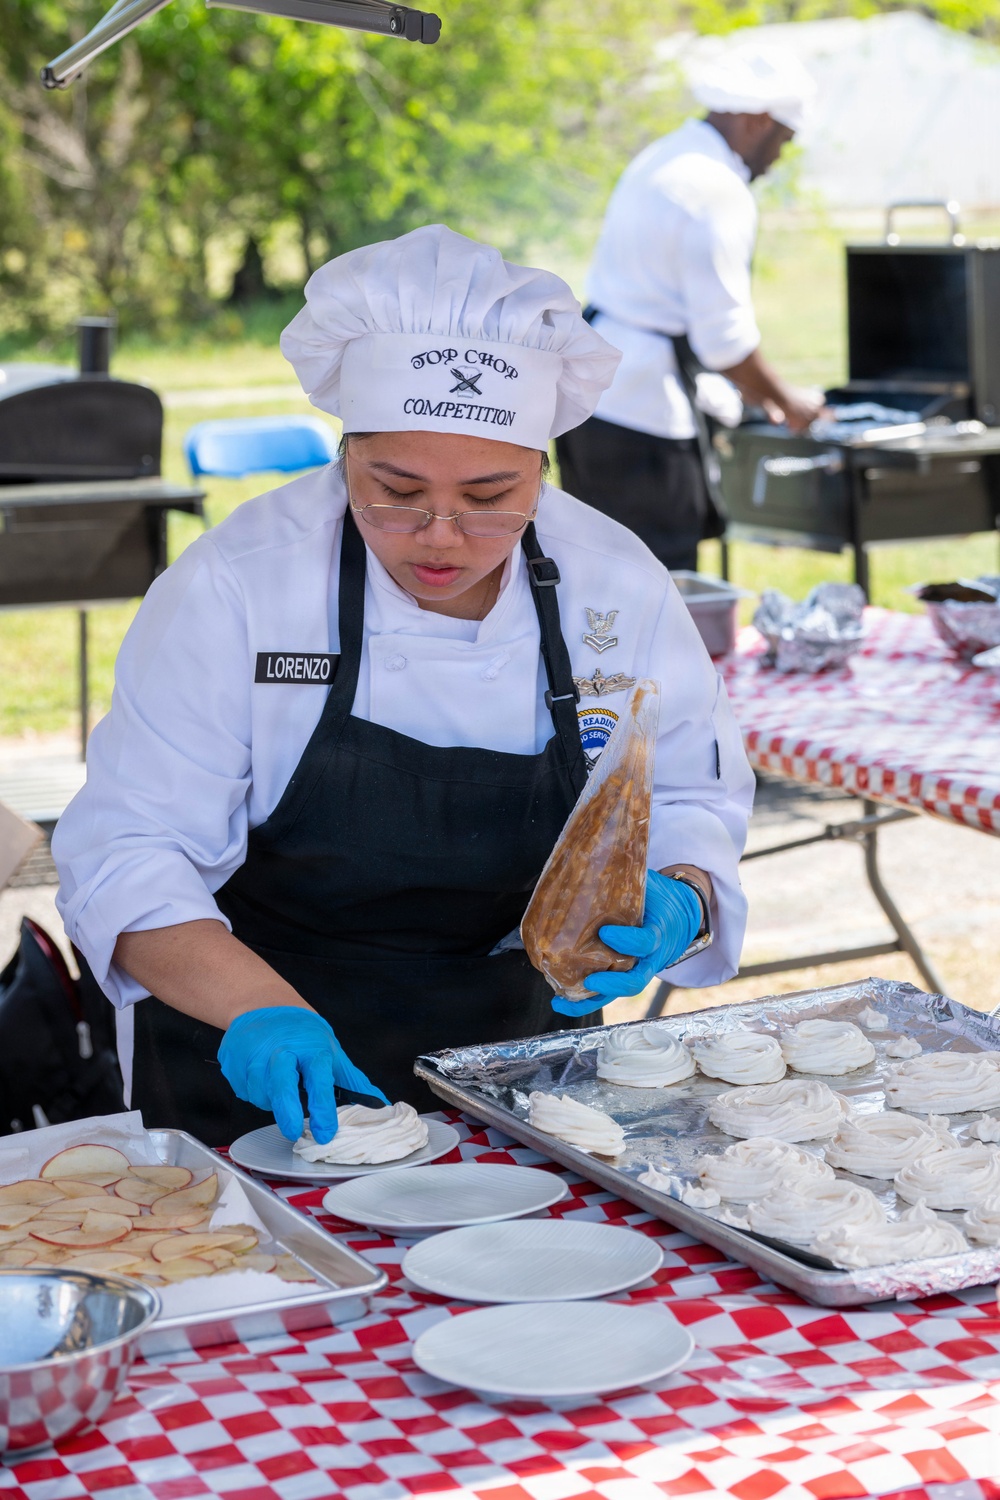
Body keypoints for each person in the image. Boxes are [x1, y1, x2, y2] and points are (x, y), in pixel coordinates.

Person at [53, 225, 754, 1149]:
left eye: (491, 496)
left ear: (542, 471)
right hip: (254, 1060)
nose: (439, 535)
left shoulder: (613, 582)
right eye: (394, 487)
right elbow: (125, 854)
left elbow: (690, 795)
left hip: (522, 1067)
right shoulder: (239, 585)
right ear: (345, 451)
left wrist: (681, 892)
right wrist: (260, 1010)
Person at [556, 44, 825, 572]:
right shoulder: (716, 188)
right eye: (783, 141)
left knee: (593, 576)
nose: (778, 159)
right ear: (756, 120)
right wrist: (790, 404)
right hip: (645, 415)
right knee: (660, 580)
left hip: (591, 400)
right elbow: (724, 341)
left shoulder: (665, 154)